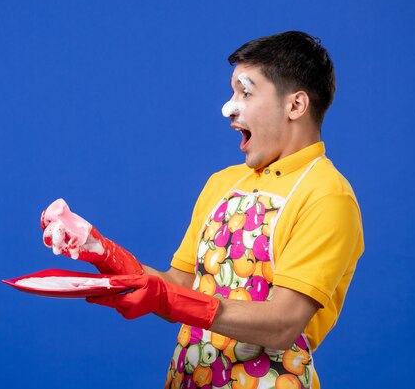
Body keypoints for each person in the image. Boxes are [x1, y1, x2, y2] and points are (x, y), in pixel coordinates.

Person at [40, 31, 364, 389]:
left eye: (246, 92)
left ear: (295, 106)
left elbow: (282, 324)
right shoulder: (222, 184)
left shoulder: (327, 196)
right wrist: (101, 251)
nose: (229, 108)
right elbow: (180, 285)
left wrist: (171, 299)